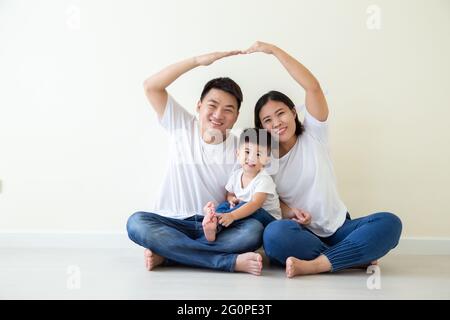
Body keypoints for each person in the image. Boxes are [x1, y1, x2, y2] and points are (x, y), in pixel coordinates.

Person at [247, 41, 403, 277]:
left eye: (280, 113)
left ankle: (318, 264)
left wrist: (274, 51)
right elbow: (268, 199)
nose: (276, 123)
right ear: (261, 128)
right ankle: (351, 256)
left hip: (340, 228)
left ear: (293, 112)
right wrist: (291, 212)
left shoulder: (314, 134)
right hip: (302, 233)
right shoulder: (263, 160)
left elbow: (313, 88)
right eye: (267, 121)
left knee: (390, 223)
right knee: (274, 236)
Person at [126, 50, 264, 275]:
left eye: (228, 110)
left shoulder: (242, 148)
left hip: (214, 227)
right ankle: (226, 262)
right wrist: (198, 61)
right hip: (171, 222)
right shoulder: (181, 124)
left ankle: (170, 256)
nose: (218, 114)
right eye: (213, 105)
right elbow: (151, 86)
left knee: (253, 231)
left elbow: (245, 191)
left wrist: (232, 200)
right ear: (199, 106)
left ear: (237, 116)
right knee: (136, 223)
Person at [202, 128, 281, 242]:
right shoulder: (236, 175)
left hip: (267, 218)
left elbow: (255, 204)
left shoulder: (264, 179)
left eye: (258, 154)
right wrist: (232, 200)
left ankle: (215, 221)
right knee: (225, 205)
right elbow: (229, 194)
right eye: (247, 152)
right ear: (238, 154)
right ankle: (214, 221)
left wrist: (233, 215)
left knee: (246, 206)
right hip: (246, 215)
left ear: (267, 160)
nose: (252, 158)